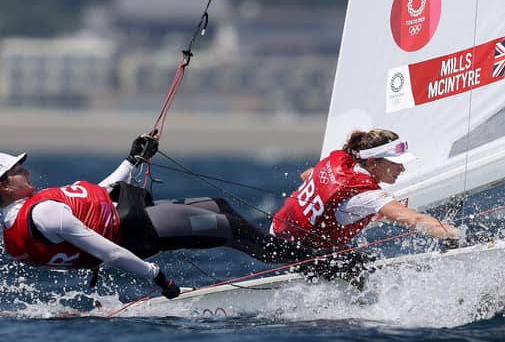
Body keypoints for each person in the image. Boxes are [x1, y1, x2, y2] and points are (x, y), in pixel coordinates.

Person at [0, 134, 281, 300]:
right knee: (227, 226)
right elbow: (108, 251)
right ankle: (306, 259)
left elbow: (96, 193)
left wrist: (132, 160)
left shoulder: (28, 212)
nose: (26, 172)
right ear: (5, 186)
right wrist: (158, 277)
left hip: (135, 216)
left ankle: (288, 251)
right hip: (139, 230)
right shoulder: (43, 213)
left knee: (217, 205)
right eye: (18, 170)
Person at [268, 128, 460, 285]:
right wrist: (455, 234)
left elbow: (307, 175)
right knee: (367, 269)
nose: (402, 169)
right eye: (395, 164)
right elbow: (416, 220)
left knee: (353, 256)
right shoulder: (367, 196)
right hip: (297, 253)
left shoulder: (341, 160)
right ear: (371, 162)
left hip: (277, 235)